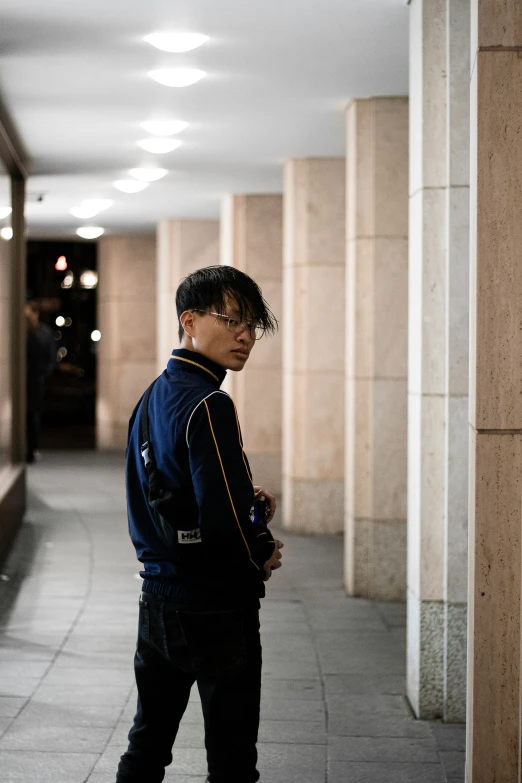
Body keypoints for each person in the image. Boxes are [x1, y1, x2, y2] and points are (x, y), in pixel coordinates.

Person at [116, 265, 284, 783]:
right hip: (214, 602)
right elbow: (227, 516)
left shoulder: (152, 398)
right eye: (232, 319)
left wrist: (245, 504)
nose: (245, 336)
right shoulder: (211, 402)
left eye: (253, 324)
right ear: (189, 321)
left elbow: (162, 493)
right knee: (232, 757)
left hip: (159, 595)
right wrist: (262, 544)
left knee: (147, 745)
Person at [25, 300, 56, 462]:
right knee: (27, 415)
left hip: (35, 380)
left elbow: (50, 356)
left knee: (33, 415)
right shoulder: (23, 332)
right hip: (27, 380)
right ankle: (27, 447)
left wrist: (43, 374)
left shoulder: (43, 333)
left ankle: (31, 447)